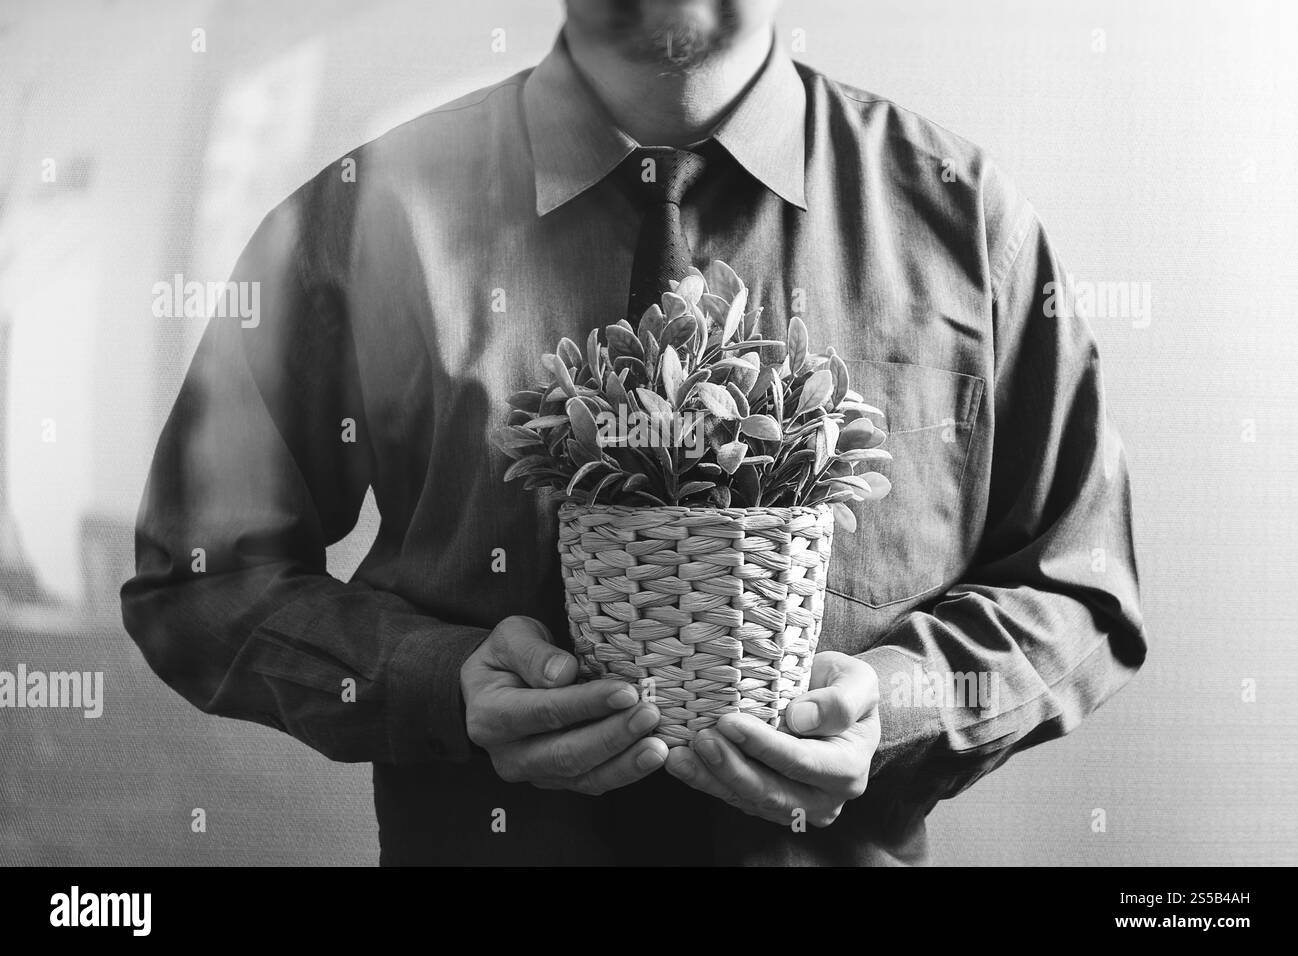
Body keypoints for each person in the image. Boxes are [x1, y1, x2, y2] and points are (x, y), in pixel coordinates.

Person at [121, 0, 1146, 865]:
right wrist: (435, 678)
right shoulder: (358, 220)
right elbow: (197, 579)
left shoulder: (966, 225)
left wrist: (902, 700)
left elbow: (1081, 588)